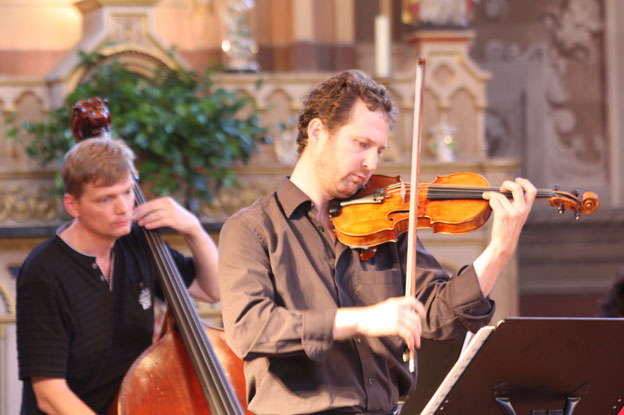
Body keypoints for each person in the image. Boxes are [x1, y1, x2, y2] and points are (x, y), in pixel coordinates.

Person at [217, 69, 537, 415]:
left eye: (379, 151)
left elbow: (438, 316)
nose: (371, 163)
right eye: (362, 144)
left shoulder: (384, 223)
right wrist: (359, 320)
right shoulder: (251, 229)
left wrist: (499, 250)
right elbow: (249, 330)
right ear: (317, 132)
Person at [16, 137, 220, 414]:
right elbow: (50, 393)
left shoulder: (137, 243)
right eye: (106, 199)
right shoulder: (44, 273)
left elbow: (212, 290)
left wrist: (193, 229)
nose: (124, 208)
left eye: (126, 192)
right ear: (72, 205)